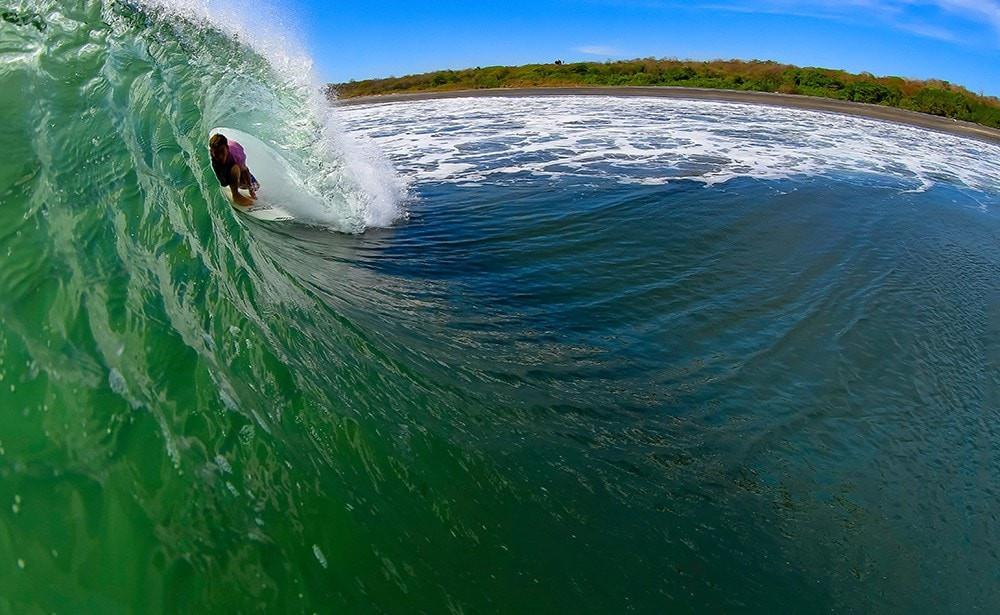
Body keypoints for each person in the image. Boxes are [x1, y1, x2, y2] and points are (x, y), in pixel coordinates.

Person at [210, 133, 260, 207]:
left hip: (235, 163)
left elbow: (245, 170)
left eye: (222, 151)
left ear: (227, 148)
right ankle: (235, 192)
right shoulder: (212, 154)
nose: (220, 156)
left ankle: (235, 194)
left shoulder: (236, 156)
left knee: (255, 186)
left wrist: (251, 190)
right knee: (224, 182)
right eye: (216, 153)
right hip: (222, 167)